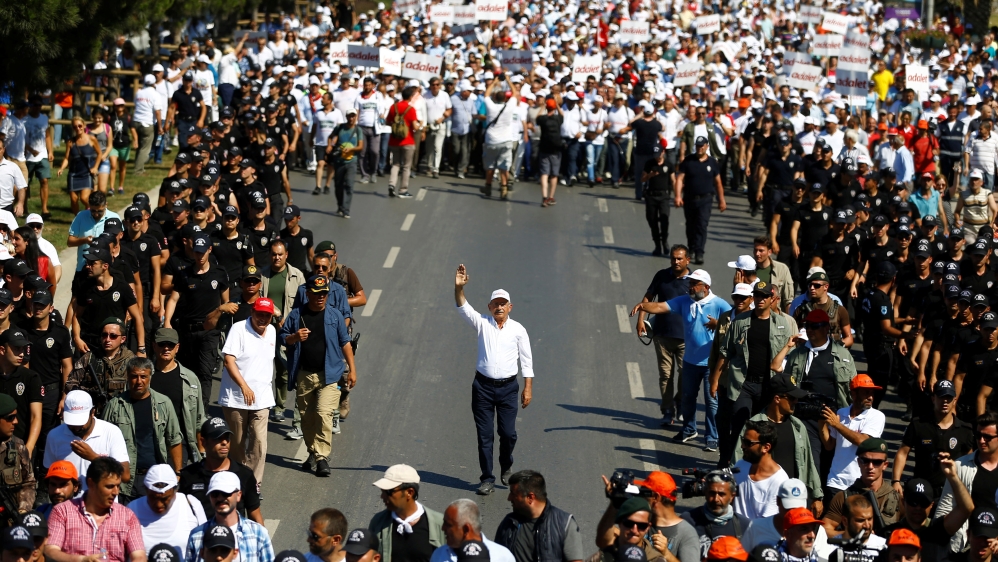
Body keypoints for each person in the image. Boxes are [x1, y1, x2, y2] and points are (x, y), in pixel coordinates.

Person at [454, 265, 533, 494]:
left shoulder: (518, 330)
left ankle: (506, 464)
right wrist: (458, 287)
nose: (499, 307)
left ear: (510, 307)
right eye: (495, 304)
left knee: (508, 433)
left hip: (508, 389)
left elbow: (527, 361)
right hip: (483, 388)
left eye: (503, 303)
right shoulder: (482, 323)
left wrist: (527, 388)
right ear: (489, 307)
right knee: (484, 435)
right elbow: (462, 305)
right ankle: (487, 478)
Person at [631, 269, 731, 450]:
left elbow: (736, 323)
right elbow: (661, 306)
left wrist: (719, 324)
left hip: (711, 363)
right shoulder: (684, 301)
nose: (690, 287)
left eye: (694, 284)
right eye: (690, 283)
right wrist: (643, 306)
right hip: (690, 361)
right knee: (687, 398)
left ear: (706, 287)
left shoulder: (719, 304)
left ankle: (711, 437)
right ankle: (689, 429)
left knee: (711, 401)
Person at [280, 275, 356, 477]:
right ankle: (312, 452)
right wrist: (295, 337)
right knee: (306, 419)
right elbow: (283, 336)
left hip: (329, 374)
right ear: (308, 294)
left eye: (324, 294)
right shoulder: (297, 315)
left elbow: (345, 342)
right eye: (316, 293)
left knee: (324, 414)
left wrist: (353, 369)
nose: (320, 297)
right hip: (304, 374)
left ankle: (321, 457)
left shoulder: (334, 316)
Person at [712, 281, 796, 463]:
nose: (760, 299)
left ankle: (758, 464)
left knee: (764, 428)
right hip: (744, 383)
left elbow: (787, 356)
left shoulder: (782, 323)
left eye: (764, 296)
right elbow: (725, 351)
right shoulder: (741, 321)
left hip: (769, 385)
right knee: (741, 423)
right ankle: (730, 463)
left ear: (772, 298)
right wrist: (715, 380)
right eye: (757, 295)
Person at [729, 375, 823, 509]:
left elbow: (808, 463)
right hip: (763, 498)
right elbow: (738, 461)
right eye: (792, 398)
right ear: (777, 398)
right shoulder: (755, 426)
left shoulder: (797, 427)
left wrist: (817, 495)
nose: (796, 401)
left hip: (793, 498)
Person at [102, 357, 183, 499]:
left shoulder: (164, 404)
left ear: (150, 377)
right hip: (123, 481)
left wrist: (177, 473)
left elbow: (174, 439)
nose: (139, 381)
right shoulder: (115, 405)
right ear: (127, 377)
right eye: (134, 376)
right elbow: (103, 443)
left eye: (143, 376)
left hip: (155, 478)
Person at [219, 298, 278, 486]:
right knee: (237, 443)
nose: (262, 318)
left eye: (267, 315)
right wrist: (244, 386)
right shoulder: (238, 329)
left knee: (259, 444)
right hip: (236, 398)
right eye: (259, 314)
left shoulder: (272, 332)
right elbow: (228, 360)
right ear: (252, 312)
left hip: (262, 399)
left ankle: (253, 484)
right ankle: (238, 479)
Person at [45, 457, 146, 562]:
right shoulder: (62, 511)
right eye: (109, 486)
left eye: (118, 486)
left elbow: (139, 556)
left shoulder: (127, 516)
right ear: (91, 484)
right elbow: (51, 551)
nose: (116, 492)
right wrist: (81, 560)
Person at [634, 245, 690, 427]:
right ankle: (667, 410)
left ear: (687, 260)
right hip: (662, 336)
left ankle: (680, 402)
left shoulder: (694, 281)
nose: (676, 262)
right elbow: (648, 298)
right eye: (673, 258)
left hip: (685, 338)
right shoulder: (661, 276)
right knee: (665, 375)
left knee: (684, 374)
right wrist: (641, 320)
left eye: (680, 259)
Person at [893, 380, 974, 497]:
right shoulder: (919, 424)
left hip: (952, 490)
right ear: (933, 398)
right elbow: (903, 453)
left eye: (949, 397)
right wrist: (896, 481)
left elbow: (969, 462)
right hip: (922, 488)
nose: (945, 401)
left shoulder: (965, 430)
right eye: (941, 397)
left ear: (955, 400)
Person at [178, 417, 263, 524]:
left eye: (227, 438)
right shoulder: (189, 475)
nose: (224, 442)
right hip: (201, 538)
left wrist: (262, 539)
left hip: (235, 538)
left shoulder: (244, 474)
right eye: (217, 438)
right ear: (203, 442)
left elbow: (255, 515)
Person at [880, 465, 973, 562]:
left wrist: (953, 477)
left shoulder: (940, 530)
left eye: (924, 503)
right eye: (913, 502)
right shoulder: (889, 533)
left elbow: (966, 509)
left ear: (931, 505)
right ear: (903, 502)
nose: (918, 507)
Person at [42, 390, 130, 492]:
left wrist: (94, 458)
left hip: (102, 505)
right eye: (72, 422)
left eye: (80, 422)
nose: (76, 427)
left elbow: (125, 476)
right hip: (68, 506)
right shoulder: (54, 436)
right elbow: (50, 477)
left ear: (93, 412)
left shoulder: (111, 432)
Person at [493, 470, 584, 562]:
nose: (509, 498)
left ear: (530, 497)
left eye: (513, 493)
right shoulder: (509, 523)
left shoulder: (565, 523)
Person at [820, 374, 887, 497]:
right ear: (854, 394)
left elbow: (864, 442)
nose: (870, 397)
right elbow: (829, 445)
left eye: (872, 393)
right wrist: (822, 423)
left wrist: (837, 425)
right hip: (836, 481)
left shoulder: (876, 416)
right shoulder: (841, 413)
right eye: (866, 393)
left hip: (860, 483)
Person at [184, 472, 274, 562]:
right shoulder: (197, 536)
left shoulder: (258, 533)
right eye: (215, 494)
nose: (220, 498)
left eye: (226, 493)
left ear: (239, 495)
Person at [822, 438, 902, 535]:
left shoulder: (897, 498)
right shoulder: (844, 497)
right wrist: (854, 536)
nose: (870, 467)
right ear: (859, 462)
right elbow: (825, 530)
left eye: (876, 462)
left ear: (885, 465)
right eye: (865, 461)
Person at [150, 328, 206, 463]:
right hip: (150, 444)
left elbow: (199, 419)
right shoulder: (144, 377)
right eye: (162, 344)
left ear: (177, 348)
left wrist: (202, 452)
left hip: (180, 445)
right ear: (154, 346)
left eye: (170, 345)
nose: (166, 348)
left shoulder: (190, 379)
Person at [368, 465, 444, 562]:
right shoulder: (378, 522)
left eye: (388, 492)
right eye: (382, 491)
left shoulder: (440, 524)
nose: (382, 496)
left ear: (410, 492)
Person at [128, 464, 207, 554]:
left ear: (175, 490)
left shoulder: (192, 504)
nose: (158, 505)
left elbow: (204, 546)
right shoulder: (132, 509)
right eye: (153, 498)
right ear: (146, 490)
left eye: (165, 499)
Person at [64, 317, 136, 413]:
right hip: (93, 412)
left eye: (113, 336)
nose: (107, 339)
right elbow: (70, 383)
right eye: (104, 335)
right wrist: (85, 394)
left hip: (122, 412)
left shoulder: (132, 361)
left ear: (123, 339)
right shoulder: (89, 358)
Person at [674, 137, 727, 265]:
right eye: (698, 146)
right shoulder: (688, 161)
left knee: (702, 225)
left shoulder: (712, 163)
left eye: (702, 146)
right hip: (690, 199)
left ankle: (699, 252)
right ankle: (691, 248)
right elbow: (680, 179)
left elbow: (718, 182)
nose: (700, 148)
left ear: (707, 146)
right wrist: (677, 196)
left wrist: (721, 200)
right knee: (691, 225)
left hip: (706, 199)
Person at [680, 469, 749, 559]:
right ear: (705, 493)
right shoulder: (687, 521)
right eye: (712, 493)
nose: (716, 499)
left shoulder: (745, 526)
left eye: (721, 494)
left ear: (732, 496)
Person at [733, 420, 789, 519]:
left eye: (748, 443)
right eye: (743, 440)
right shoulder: (740, 466)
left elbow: (767, 524)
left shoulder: (779, 481)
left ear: (766, 448)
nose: (742, 446)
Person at [0, 329, 41, 458]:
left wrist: (28, 448)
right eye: (17, 348)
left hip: (22, 446)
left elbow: (36, 417)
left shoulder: (31, 378)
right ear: (2, 350)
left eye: (23, 349)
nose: (22, 353)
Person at [433, 499, 515, 562]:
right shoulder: (439, 554)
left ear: (466, 529)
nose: (443, 528)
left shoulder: (502, 556)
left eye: (448, 525)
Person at [481, 75, 521, 199]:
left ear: (494, 97)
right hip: (506, 141)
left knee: (490, 166)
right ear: (505, 99)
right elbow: (515, 93)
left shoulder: (490, 107)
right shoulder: (509, 107)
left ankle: (488, 186)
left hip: (491, 140)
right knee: (504, 166)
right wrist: (508, 80)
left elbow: (486, 94)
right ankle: (503, 188)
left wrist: (495, 82)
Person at [590, 497, 665, 562]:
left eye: (641, 525)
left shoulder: (657, 560)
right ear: (619, 522)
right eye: (628, 523)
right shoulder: (602, 558)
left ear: (648, 527)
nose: (634, 530)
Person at [56, 116, 100, 215]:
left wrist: (96, 167)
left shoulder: (91, 139)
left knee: (84, 198)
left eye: (80, 126)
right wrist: (61, 168)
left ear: (84, 126)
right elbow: (67, 158)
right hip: (74, 174)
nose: (78, 128)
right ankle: (78, 219)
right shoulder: (70, 142)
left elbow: (99, 154)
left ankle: (96, 211)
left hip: (87, 173)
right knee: (74, 199)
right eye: (75, 127)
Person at [0, 393, 35, 512]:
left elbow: (29, 483)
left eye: (16, 416)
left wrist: (23, 508)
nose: (15, 422)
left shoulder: (18, 447)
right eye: (10, 418)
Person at [385, 86, 419, 199]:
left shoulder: (393, 107)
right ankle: (403, 190)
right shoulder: (411, 109)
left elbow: (388, 121)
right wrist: (420, 126)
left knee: (395, 164)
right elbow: (414, 126)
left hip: (394, 140)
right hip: (407, 140)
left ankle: (391, 184)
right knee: (406, 166)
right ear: (410, 97)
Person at [642, 146, 672, 256]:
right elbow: (642, 178)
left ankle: (664, 240)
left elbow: (673, 179)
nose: (657, 157)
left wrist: (677, 195)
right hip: (651, 196)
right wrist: (650, 175)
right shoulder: (649, 163)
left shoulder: (668, 164)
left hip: (663, 195)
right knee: (652, 220)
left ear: (663, 152)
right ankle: (657, 245)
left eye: (659, 154)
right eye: (655, 155)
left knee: (664, 218)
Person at [535, 99, 563, 207]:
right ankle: (551, 197)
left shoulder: (542, 119)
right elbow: (562, 114)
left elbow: (536, 118)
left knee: (544, 173)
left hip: (544, 148)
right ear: (555, 108)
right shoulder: (558, 119)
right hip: (556, 149)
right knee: (554, 174)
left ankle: (544, 197)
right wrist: (557, 106)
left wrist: (543, 107)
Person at [0, 140, 26, 218]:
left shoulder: (12, 167)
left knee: (10, 230)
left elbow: (21, 187)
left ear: (3, 150)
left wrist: (20, 204)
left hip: (6, 208)